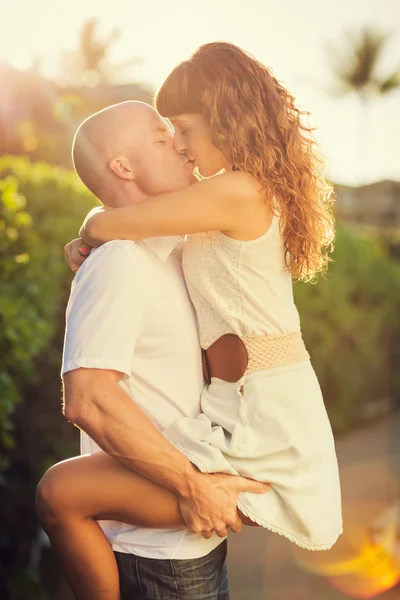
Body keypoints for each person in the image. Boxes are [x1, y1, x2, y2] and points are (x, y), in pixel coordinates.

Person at [40, 40, 343, 599]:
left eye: (182, 128)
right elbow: (124, 213)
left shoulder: (237, 190)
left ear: (224, 116)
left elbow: (115, 220)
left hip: (260, 409)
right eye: (167, 134)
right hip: (249, 401)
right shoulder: (228, 196)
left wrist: (91, 233)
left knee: (60, 495)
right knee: (67, 494)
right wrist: (98, 234)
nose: (180, 146)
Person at [35, 100, 270, 600]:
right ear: (123, 166)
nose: (183, 148)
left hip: (192, 546)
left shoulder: (168, 251)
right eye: (162, 139)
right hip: (158, 563)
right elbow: (89, 399)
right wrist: (194, 488)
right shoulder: (120, 261)